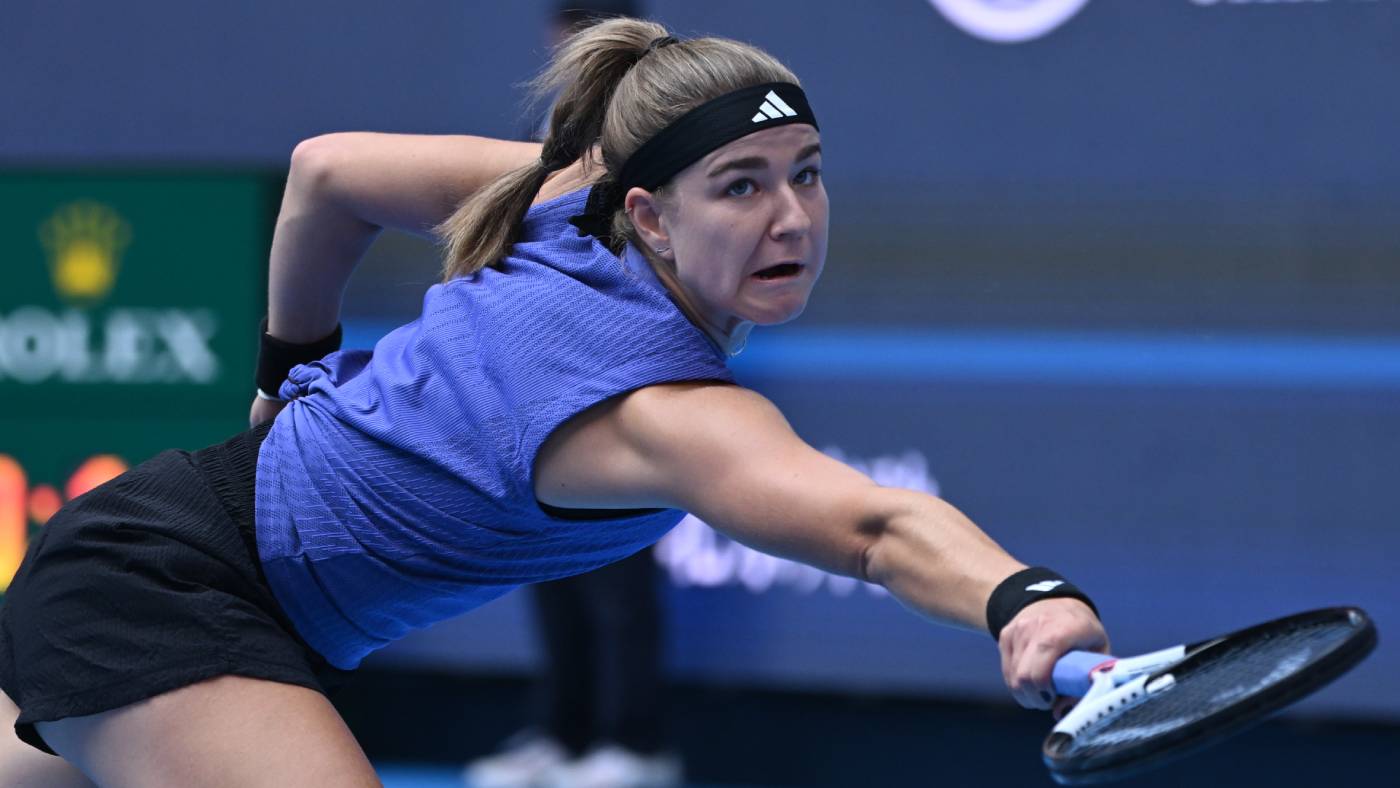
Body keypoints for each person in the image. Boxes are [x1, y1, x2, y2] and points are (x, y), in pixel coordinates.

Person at [0, 17, 1107, 788]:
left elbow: (327, 173)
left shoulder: (565, 193)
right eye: (741, 184)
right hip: (169, 588)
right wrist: (1023, 598)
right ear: (651, 214)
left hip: (165, 556)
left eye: (805, 172)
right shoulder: (665, 412)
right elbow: (873, 526)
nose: (791, 218)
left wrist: (285, 369)